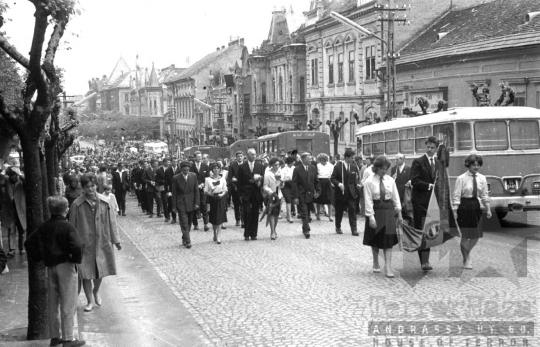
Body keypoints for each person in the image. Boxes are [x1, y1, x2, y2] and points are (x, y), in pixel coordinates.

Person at [24, 196, 86, 347]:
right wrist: (76, 259)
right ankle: (68, 338)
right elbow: (77, 246)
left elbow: (28, 243)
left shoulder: (44, 226)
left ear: (50, 209)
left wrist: (40, 257)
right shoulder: (68, 226)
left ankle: (55, 336)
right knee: (68, 302)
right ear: (66, 210)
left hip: (50, 267)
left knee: (53, 303)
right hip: (66, 265)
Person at [69, 173, 121, 312]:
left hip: (101, 242)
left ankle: (96, 290)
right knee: (85, 274)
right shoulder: (76, 204)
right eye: (87, 187)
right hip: (84, 244)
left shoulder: (105, 201)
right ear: (83, 188)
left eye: (92, 186)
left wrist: (116, 240)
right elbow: (72, 226)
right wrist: (71, 245)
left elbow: (112, 222)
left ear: (96, 185)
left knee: (100, 272)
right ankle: (89, 301)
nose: (90, 189)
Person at [362, 155, 402, 278]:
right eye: (382, 169)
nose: (384, 171)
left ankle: (388, 266)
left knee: (388, 240)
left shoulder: (390, 180)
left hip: (389, 211)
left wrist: (399, 214)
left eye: (386, 169)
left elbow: (396, 198)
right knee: (375, 238)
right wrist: (371, 217)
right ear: (376, 168)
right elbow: (368, 200)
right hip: (376, 210)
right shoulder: (369, 181)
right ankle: (376, 261)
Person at [452, 154, 491, 270]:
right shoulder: (461, 178)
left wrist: (488, 208)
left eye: (478, 165)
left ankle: (467, 253)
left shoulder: (482, 178)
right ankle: (466, 259)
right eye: (474, 165)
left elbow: (484, 195)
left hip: (475, 206)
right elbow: (456, 196)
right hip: (464, 207)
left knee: (475, 236)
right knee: (465, 235)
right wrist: (455, 211)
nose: (476, 167)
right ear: (468, 165)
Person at [411, 136, 440, 271]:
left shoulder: (438, 163)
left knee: (430, 231)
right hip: (420, 202)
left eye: (432, 148)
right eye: (428, 147)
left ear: (436, 149)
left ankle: (426, 260)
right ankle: (424, 262)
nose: (429, 150)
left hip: (433, 202)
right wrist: (429, 186)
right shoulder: (418, 162)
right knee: (421, 230)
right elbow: (414, 181)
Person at [331, 149, 361, 236]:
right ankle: (338, 227)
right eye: (352, 158)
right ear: (346, 158)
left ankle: (354, 229)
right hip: (341, 193)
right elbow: (332, 178)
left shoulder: (354, 167)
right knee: (339, 210)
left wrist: (357, 186)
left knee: (352, 211)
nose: (353, 160)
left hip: (351, 193)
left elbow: (354, 180)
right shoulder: (337, 166)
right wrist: (339, 184)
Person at [237, 148, 264, 241]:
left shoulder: (260, 165)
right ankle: (246, 233)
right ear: (247, 155)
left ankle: (254, 234)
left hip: (256, 193)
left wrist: (260, 182)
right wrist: (240, 195)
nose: (254, 156)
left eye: (255, 154)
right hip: (246, 193)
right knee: (247, 213)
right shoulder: (242, 167)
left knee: (255, 213)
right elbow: (239, 182)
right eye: (252, 154)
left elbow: (263, 178)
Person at [171, 161, 200, 249]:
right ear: (181, 169)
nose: (186, 172)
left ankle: (185, 236)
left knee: (189, 222)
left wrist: (197, 203)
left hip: (191, 201)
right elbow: (174, 193)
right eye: (184, 170)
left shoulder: (193, 176)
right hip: (181, 202)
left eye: (187, 170)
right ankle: (188, 240)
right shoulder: (176, 178)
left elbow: (196, 191)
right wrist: (174, 206)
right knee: (184, 222)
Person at [292, 153, 321, 239]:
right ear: (303, 159)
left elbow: (316, 181)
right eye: (309, 158)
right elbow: (294, 184)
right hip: (301, 194)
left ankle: (305, 226)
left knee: (308, 212)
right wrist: (296, 197)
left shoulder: (313, 168)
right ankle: (306, 231)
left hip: (310, 194)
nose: (311, 160)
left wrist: (318, 191)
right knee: (304, 212)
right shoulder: (297, 169)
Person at [1, 167, 26, 257]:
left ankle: (22, 248)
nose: (13, 177)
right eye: (11, 175)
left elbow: (27, 183)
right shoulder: (6, 181)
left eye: (14, 175)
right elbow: (1, 180)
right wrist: (4, 172)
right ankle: (12, 249)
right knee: (11, 229)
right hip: (10, 210)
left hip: (21, 209)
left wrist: (20, 174)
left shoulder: (21, 181)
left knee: (22, 230)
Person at [204, 163, 228, 244]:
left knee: (219, 217)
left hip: (221, 198)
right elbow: (205, 190)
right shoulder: (208, 179)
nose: (216, 170)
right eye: (214, 168)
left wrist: (222, 194)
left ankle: (219, 235)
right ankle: (214, 232)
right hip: (212, 199)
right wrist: (211, 194)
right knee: (214, 217)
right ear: (212, 169)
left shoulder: (222, 178)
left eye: (218, 168)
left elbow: (225, 189)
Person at [263, 157, 284, 240]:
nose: (277, 166)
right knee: (271, 213)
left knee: (277, 214)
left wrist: (281, 181)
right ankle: (272, 231)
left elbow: (282, 186)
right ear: (271, 165)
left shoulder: (280, 172)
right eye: (275, 165)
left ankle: (274, 229)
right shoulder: (267, 174)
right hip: (271, 196)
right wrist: (270, 192)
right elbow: (265, 185)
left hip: (279, 195)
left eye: (278, 165)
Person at [190, 151, 209, 231]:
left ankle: (206, 224)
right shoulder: (191, 167)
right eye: (198, 157)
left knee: (204, 205)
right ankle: (195, 224)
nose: (200, 158)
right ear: (194, 158)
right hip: (194, 190)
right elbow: (190, 178)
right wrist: (196, 185)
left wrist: (203, 184)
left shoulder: (205, 166)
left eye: (200, 156)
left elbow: (207, 177)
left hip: (202, 189)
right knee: (194, 206)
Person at [314, 153, 334, 222]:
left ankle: (330, 215)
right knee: (319, 199)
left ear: (326, 159)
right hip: (320, 181)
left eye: (324, 159)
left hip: (328, 182)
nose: (322, 161)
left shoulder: (331, 166)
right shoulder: (317, 166)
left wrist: (331, 182)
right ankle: (318, 214)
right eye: (321, 159)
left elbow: (332, 174)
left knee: (329, 199)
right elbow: (316, 175)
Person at [165, 157, 181, 224]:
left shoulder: (180, 170)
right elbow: (166, 182)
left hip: (179, 190)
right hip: (171, 190)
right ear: (171, 162)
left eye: (176, 161)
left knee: (180, 204)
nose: (175, 163)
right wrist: (167, 191)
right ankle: (174, 218)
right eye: (173, 161)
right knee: (172, 204)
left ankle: (181, 218)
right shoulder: (167, 170)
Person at [280, 156, 295, 223]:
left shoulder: (294, 168)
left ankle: (290, 214)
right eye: (293, 162)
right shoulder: (283, 169)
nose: (294, 163)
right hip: (286, 186)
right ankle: (289, 216)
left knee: (291, 200)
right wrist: (288, 179)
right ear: (290, 162)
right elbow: (282, 179)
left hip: (293, 185)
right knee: (288, 200)